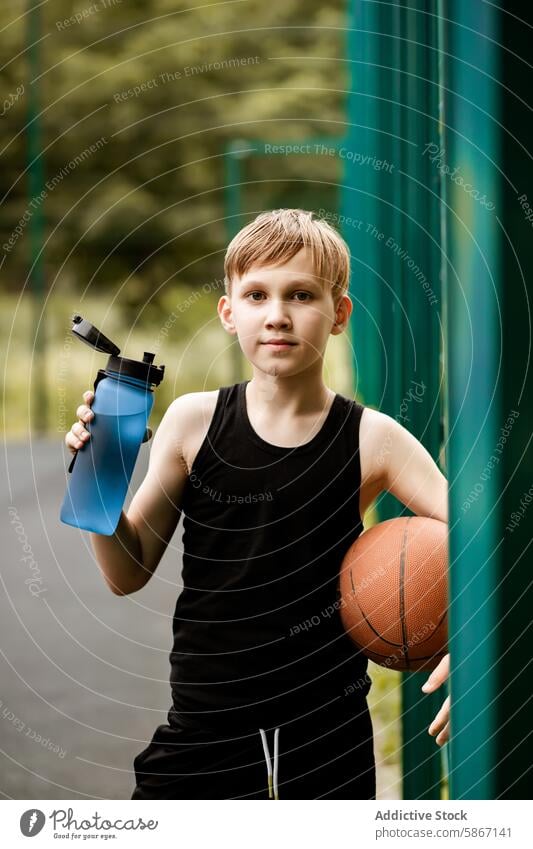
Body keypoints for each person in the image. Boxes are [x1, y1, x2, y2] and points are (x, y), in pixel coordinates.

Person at [65, 208, 450, 799]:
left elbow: (487, 542)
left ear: (339, 313)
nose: (277, 315)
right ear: (228, 312)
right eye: (256, 295)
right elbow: (127, 570)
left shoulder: (376, 439)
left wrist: (469, 637)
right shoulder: (192, 422)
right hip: (202, 730)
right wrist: (96, 478)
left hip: (328, 736)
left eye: (301, 295)